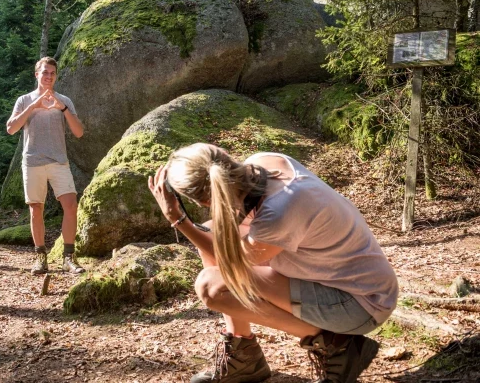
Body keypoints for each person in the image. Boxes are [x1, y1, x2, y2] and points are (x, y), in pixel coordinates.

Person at [147, 143, 398, 383]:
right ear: (224, 155)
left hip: (360, 305)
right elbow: (225, 235)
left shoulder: (278, 214)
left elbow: (231, 264)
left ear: (202, 201)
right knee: (213, 231)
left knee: (211, 287)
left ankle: (338, 345)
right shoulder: (263, 163)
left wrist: (177, 219)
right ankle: (243, 352)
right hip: (359, 283)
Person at [6, 57, 86, 275]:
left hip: (59, 161)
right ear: (37, 75)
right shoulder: (24, 100)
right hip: (32, 161)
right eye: (45, 73)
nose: (48, 76)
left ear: (56, 76)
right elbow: (11, 129)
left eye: (52, 73)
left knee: (70, 205)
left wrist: (62, 109)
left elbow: (79, 132)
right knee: (36, 209)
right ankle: (40, 257)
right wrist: (34, 105)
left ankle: (68, 258)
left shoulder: (65, 101)